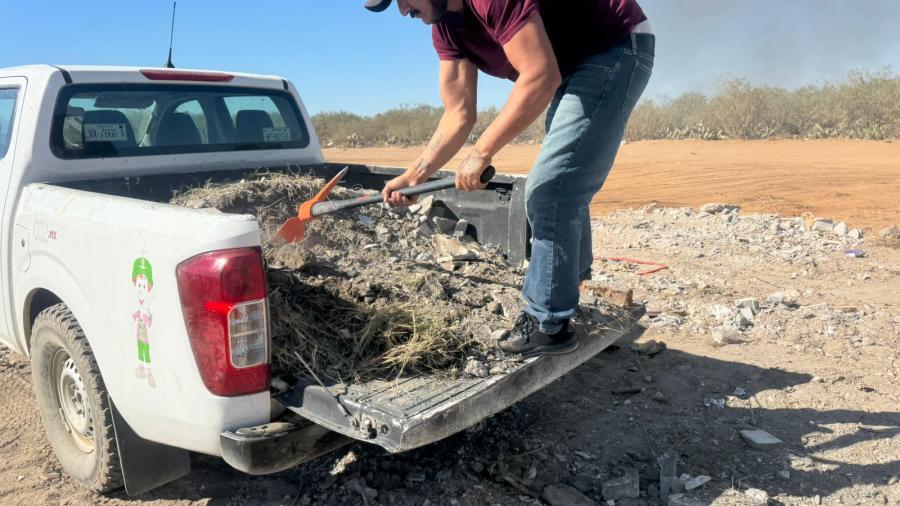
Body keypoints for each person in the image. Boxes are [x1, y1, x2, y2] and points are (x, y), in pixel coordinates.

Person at [371, 0, 655, 357]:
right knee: (561, 184)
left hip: (612, 45)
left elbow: (539, 75)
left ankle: (548, 323)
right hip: (570, 64)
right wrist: (414, 175)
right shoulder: (445, 27)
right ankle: (569, 289)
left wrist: (481, 153)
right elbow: (458, 113)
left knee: (551, 190)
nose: (402, 11)